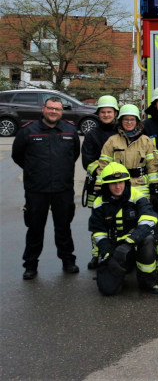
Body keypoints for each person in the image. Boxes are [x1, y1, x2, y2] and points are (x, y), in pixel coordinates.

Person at [12, 96, 81, 280]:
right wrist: (34, 171)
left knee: (64, 227)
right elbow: (17, 155)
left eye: (57, 109)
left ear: (61, 111)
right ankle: (31, 265)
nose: (53, 112)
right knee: (35, 228)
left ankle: (68, 261)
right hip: (37, 189)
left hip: (63, 189)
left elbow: (74, 154)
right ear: (43, 109)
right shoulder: (28, 131)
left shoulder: (70, 130)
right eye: (50, 108)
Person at [90, 163, 158, 295]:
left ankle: (147, 281)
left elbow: (149, 220)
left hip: (134, 243)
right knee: (108, 290)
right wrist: (108, 254)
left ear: (126, 182)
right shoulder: (99, 203)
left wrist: (130, 242)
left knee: (149, 240)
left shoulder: (136, 195)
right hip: (113, 248)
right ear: (106, 185)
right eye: (113, 183)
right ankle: (123, 268)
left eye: (121, 182)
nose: (118, 187)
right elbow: (98, 232)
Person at [80, 95, 119, 270]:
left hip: (120, 185)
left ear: (115, 113)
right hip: (98, 185)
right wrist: (107, 174)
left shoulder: (122, 133)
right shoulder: (91, 135)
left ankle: (118, 253)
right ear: (98, 114)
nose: (106, 115)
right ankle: (96, 254)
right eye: (103, 112)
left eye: (109, 111)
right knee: (99, 222)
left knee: (121, 221)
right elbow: (88, 162)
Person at [97, 104, 158, 199]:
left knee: (142, 212)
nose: (129, 122)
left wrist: (154, 186)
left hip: (141, 186)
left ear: (137, 121)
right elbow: (103, 165)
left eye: (132, 119)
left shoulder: (146, 141)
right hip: (118, 185)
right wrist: (99, 185)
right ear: (121, 121)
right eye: (126, 119)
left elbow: (153, 165)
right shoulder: (112, 141)